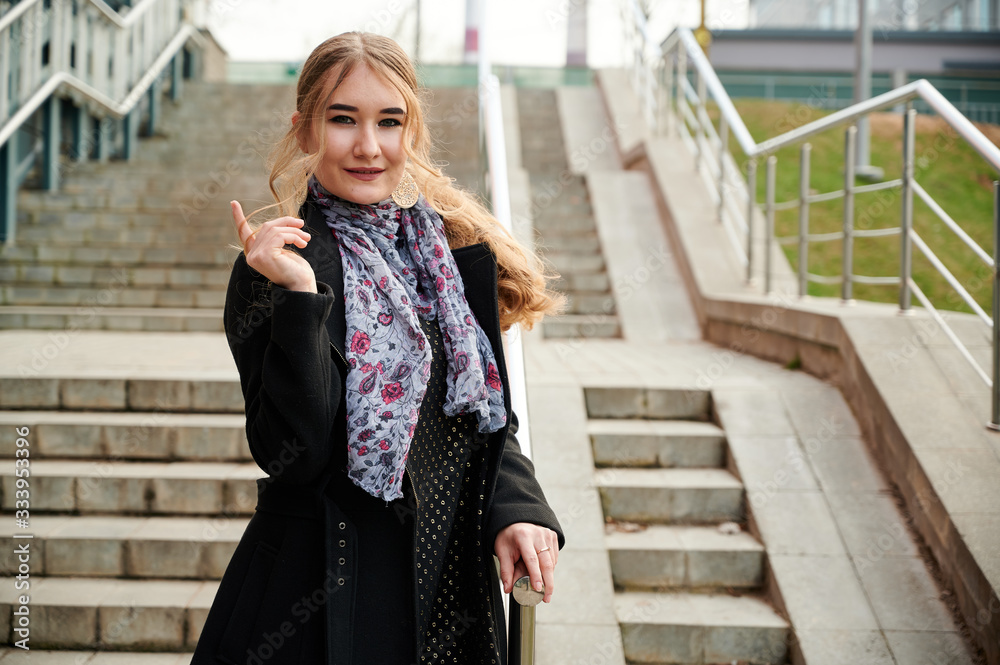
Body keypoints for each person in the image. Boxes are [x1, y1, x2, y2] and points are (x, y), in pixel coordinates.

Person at [191, 31, 565, 665]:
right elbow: (296, 456)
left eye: (389, 122)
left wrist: (518, 506)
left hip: (450, 585)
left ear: (410, 132)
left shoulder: (447, 257)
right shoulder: (275, 270)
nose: (368, 146)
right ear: (305, 130)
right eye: (343, 120)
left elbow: (484, 424)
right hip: (329, 597)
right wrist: (301, 300)